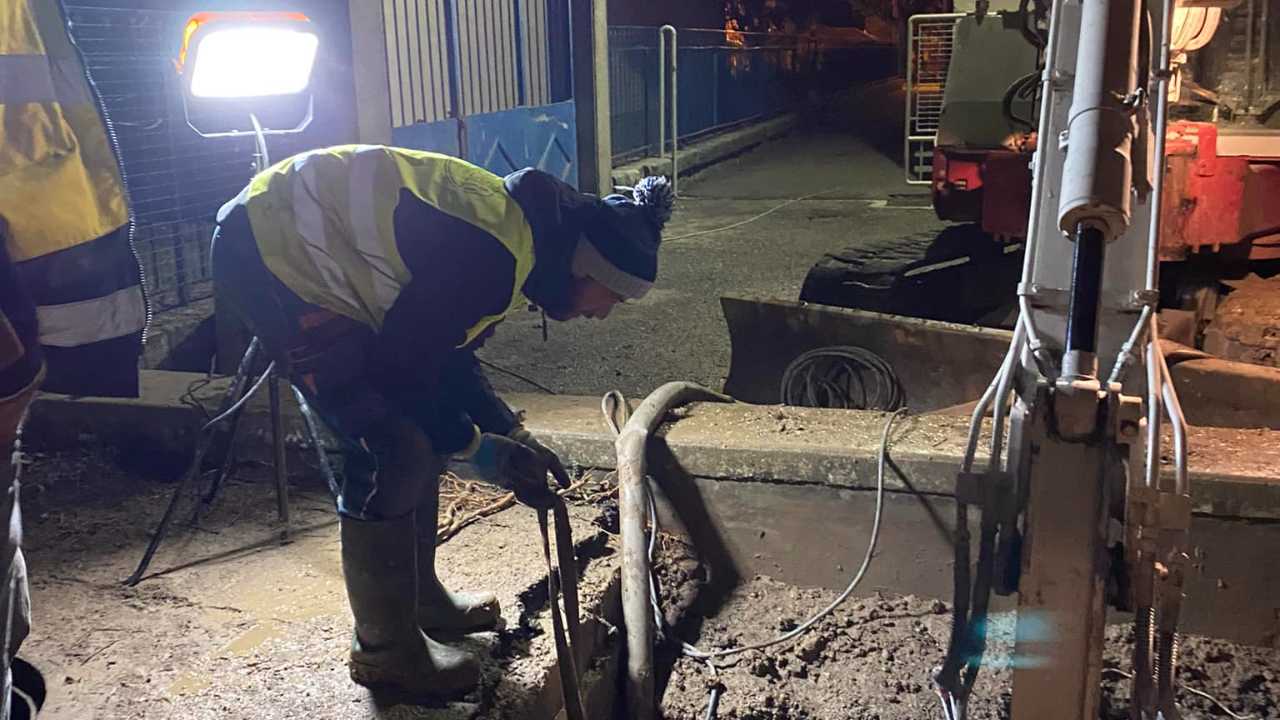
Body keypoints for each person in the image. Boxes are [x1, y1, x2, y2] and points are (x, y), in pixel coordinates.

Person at [211, 145, 673, 697]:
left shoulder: (520, 239)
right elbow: (401, 371)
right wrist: (480, 450)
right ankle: (383, 648)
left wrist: (510, 430)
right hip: (272, 256)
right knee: (390, 445)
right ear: (585, 266)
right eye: (611, 296)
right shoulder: (493, 255)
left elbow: (443, 353)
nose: (603, 312)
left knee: (417, 429)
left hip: (292, 243)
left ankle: (419, 599)